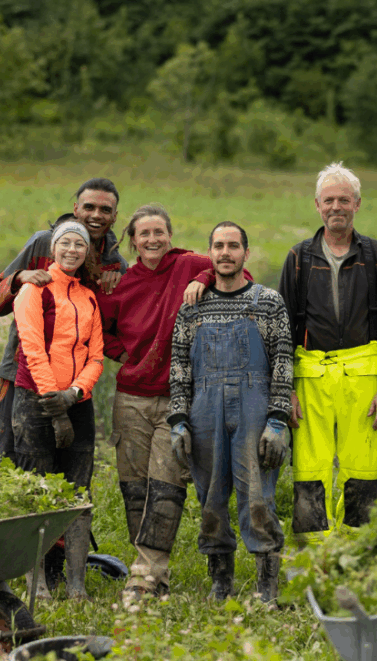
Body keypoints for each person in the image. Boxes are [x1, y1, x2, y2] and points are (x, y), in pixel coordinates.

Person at [97, 203, 253, 597]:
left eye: (159, 232)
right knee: (135, 489)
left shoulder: (187, 265)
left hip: (180, 397)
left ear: (170, 235)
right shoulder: (123, 284)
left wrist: (203, 277)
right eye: (144, 233)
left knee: (166, 485)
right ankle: (147, 569)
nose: (152, 239)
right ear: (132, 241)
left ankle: (147, 576)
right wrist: (125, 353)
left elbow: (237, 271)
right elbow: (100, 328)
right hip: (131, 397)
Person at [277, 162, 377, 544]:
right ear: (317, 205)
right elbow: (282, 330)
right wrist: (285, 390)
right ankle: (313, 560)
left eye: (344, 200)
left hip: (364, 379)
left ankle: (359, 555)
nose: (337, 206)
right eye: (329, 200)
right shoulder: (298, 258)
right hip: (310, 376)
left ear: (358, 204)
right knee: (309, 471)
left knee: (364, 468)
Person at [167, 221, 293, 603]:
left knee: (257, 497)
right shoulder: (192, 308)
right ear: (211, 253)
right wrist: (178, 421)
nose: (225, 253)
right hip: (204, 409)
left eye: (233, 246)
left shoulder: (268, 302)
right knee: (210, 498)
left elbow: (284, 362)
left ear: (245, 253)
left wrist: (278, 420)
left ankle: (265, 584)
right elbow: (179, 366)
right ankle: (221, 581)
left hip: (255, 407)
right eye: (218, 246)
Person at [0, 178, 126, 465]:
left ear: (115, 216)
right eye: (89, 207)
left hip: (74, 386)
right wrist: (19, 278)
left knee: (70, 468)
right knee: (13, 461)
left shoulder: (115, 264)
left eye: (105, 209)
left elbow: (106, 330)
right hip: (22, 374)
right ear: (76, 209)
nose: (96, 215)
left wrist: (116, 288)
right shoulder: (43, 243)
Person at [12, 219, 104, 599]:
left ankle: (77, 584)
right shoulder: (34, 290)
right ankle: (36, 583)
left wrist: (76, 393)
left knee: (78, 495)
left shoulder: (88, 296)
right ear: (53, 249)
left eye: (78, 245)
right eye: (65, 243)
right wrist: (57, 406)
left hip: (77, 403)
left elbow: (96, 356)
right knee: (38, 492)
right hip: (36, 401)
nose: (72, 250)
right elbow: (33, 349)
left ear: (86, 252)